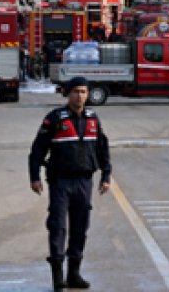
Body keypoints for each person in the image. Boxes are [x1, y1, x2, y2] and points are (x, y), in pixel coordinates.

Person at [29, 76, 112, 291]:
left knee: (80, 228)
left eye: (83, 91)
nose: (80, 96)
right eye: (75, 91)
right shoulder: (55, 119)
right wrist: (35, 176)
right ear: (68, 93)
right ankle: (58, 277)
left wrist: (106, 175)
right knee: (58, 227)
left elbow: (103, 149)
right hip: (61, 182)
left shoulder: (93, 119)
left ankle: (74, 274)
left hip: (84, 182)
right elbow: (37, 150)